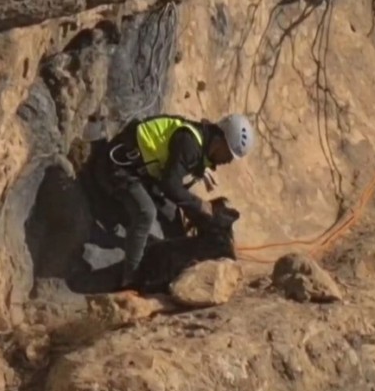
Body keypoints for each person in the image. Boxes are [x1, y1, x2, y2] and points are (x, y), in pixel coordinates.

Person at [93, 113, 256, 288]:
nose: (229, 160)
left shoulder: (200, 142)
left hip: (142, 171)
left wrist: (201, 173)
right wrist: (199, 205)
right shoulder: (191, 143)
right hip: (118, 168)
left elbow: (178, 167)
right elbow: (170, 185)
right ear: (220, 141)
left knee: (173, 217)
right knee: (146, 213)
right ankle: (130, 277)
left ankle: (177, 272)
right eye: (229, 153)